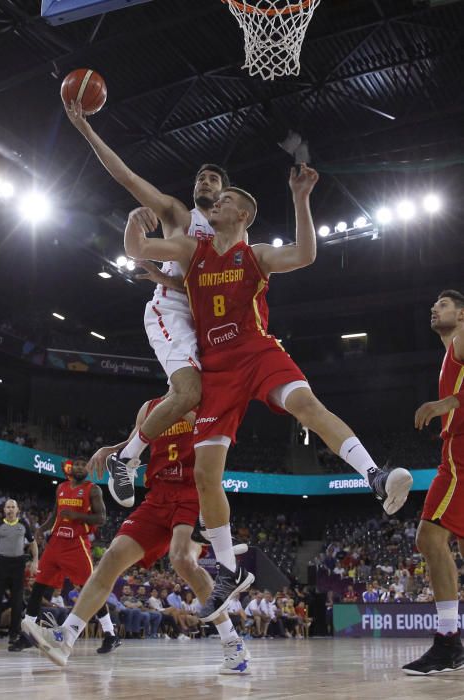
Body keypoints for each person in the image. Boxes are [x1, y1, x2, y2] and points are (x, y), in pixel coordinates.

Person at [122, 164, 413, 621]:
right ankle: (227, 568)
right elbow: (138, 249)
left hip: (255, 353)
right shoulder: (192, 250)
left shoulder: (254, 254)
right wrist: (134, 226)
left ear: (243, 215)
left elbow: (305, 255)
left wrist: (300, 199)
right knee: (205, 474)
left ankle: (374, 475)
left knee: (306, 405)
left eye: (227, 201)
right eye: (215, 200)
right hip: (215, 371)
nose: (216, 203)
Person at [64, 100, 229, 508]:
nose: (205, 182)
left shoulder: (233, 240)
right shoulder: (177, 213)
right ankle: (127, 459)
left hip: (207, 328)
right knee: (189, 393)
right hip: (171, 313)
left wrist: (171, 275)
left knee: (203, 411)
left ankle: (215, 536)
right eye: (201, 178)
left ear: (228, 195)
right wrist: (86, 130)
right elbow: (128, 177)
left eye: (212, 179)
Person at [22, 397, 250, 674]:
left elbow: (216, 438)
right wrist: (113, 449)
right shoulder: (150, 407)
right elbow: (136, 443)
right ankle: (65, 637)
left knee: (182, 559)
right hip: (157, 496)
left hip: (194, 492)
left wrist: (189, 414)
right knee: (112, 556)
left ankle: (232, 643)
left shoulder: (204, 399)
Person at [403, 289, 464, 675]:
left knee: (429, 536)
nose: (434, 308)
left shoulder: (461, 339)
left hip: (460, 453)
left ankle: (448, 641)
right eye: (434, 304)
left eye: (443, 305)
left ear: (461, 313)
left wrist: (448, 404)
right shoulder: (450, 352)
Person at [13, 458, 119, 655]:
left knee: (90, 590)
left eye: (83, 464)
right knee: (38, 587)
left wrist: (77, 516)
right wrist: (42, 529)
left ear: (87, 468)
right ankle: (26, 634)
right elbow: (56, 514)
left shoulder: (93, 489)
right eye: (76, 464)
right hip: (56, 544)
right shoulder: (61, 487)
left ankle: (111, 634)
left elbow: (102, 518)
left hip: (76, 545)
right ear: (71, 468)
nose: (79, 467)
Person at [0, 499, 38, 650]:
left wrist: (35, 560)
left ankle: (13, 634)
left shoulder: (23, 524)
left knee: (17, 602)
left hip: (18, 565)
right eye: (7, 507)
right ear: (4, 510)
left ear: (17, 510)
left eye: (13, 507)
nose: (10, 509)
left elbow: (32, 542)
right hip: (1, 564)